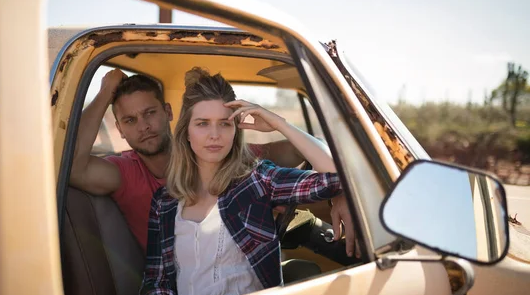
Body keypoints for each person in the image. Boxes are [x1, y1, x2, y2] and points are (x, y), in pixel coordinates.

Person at [69, 68, 359, 257]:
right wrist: (105, 92)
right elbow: (73, 170)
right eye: (130, 120)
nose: (143, 126)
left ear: (168, 113)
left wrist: (339, 193)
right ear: (119, 129)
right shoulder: (130, 175)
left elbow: (311, 152)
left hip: (249, 266)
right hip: (190, 291)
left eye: (150, 113)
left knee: (352, 253)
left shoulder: (220, 154)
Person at [140, 67, 344, 295]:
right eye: (202, 124)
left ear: (236, 130)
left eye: (224, 124)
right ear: (186, 133)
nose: (214, 135)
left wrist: (279, 124)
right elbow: (156, 284)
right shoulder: (165, 202)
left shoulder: (258, 181)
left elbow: (338, 175)